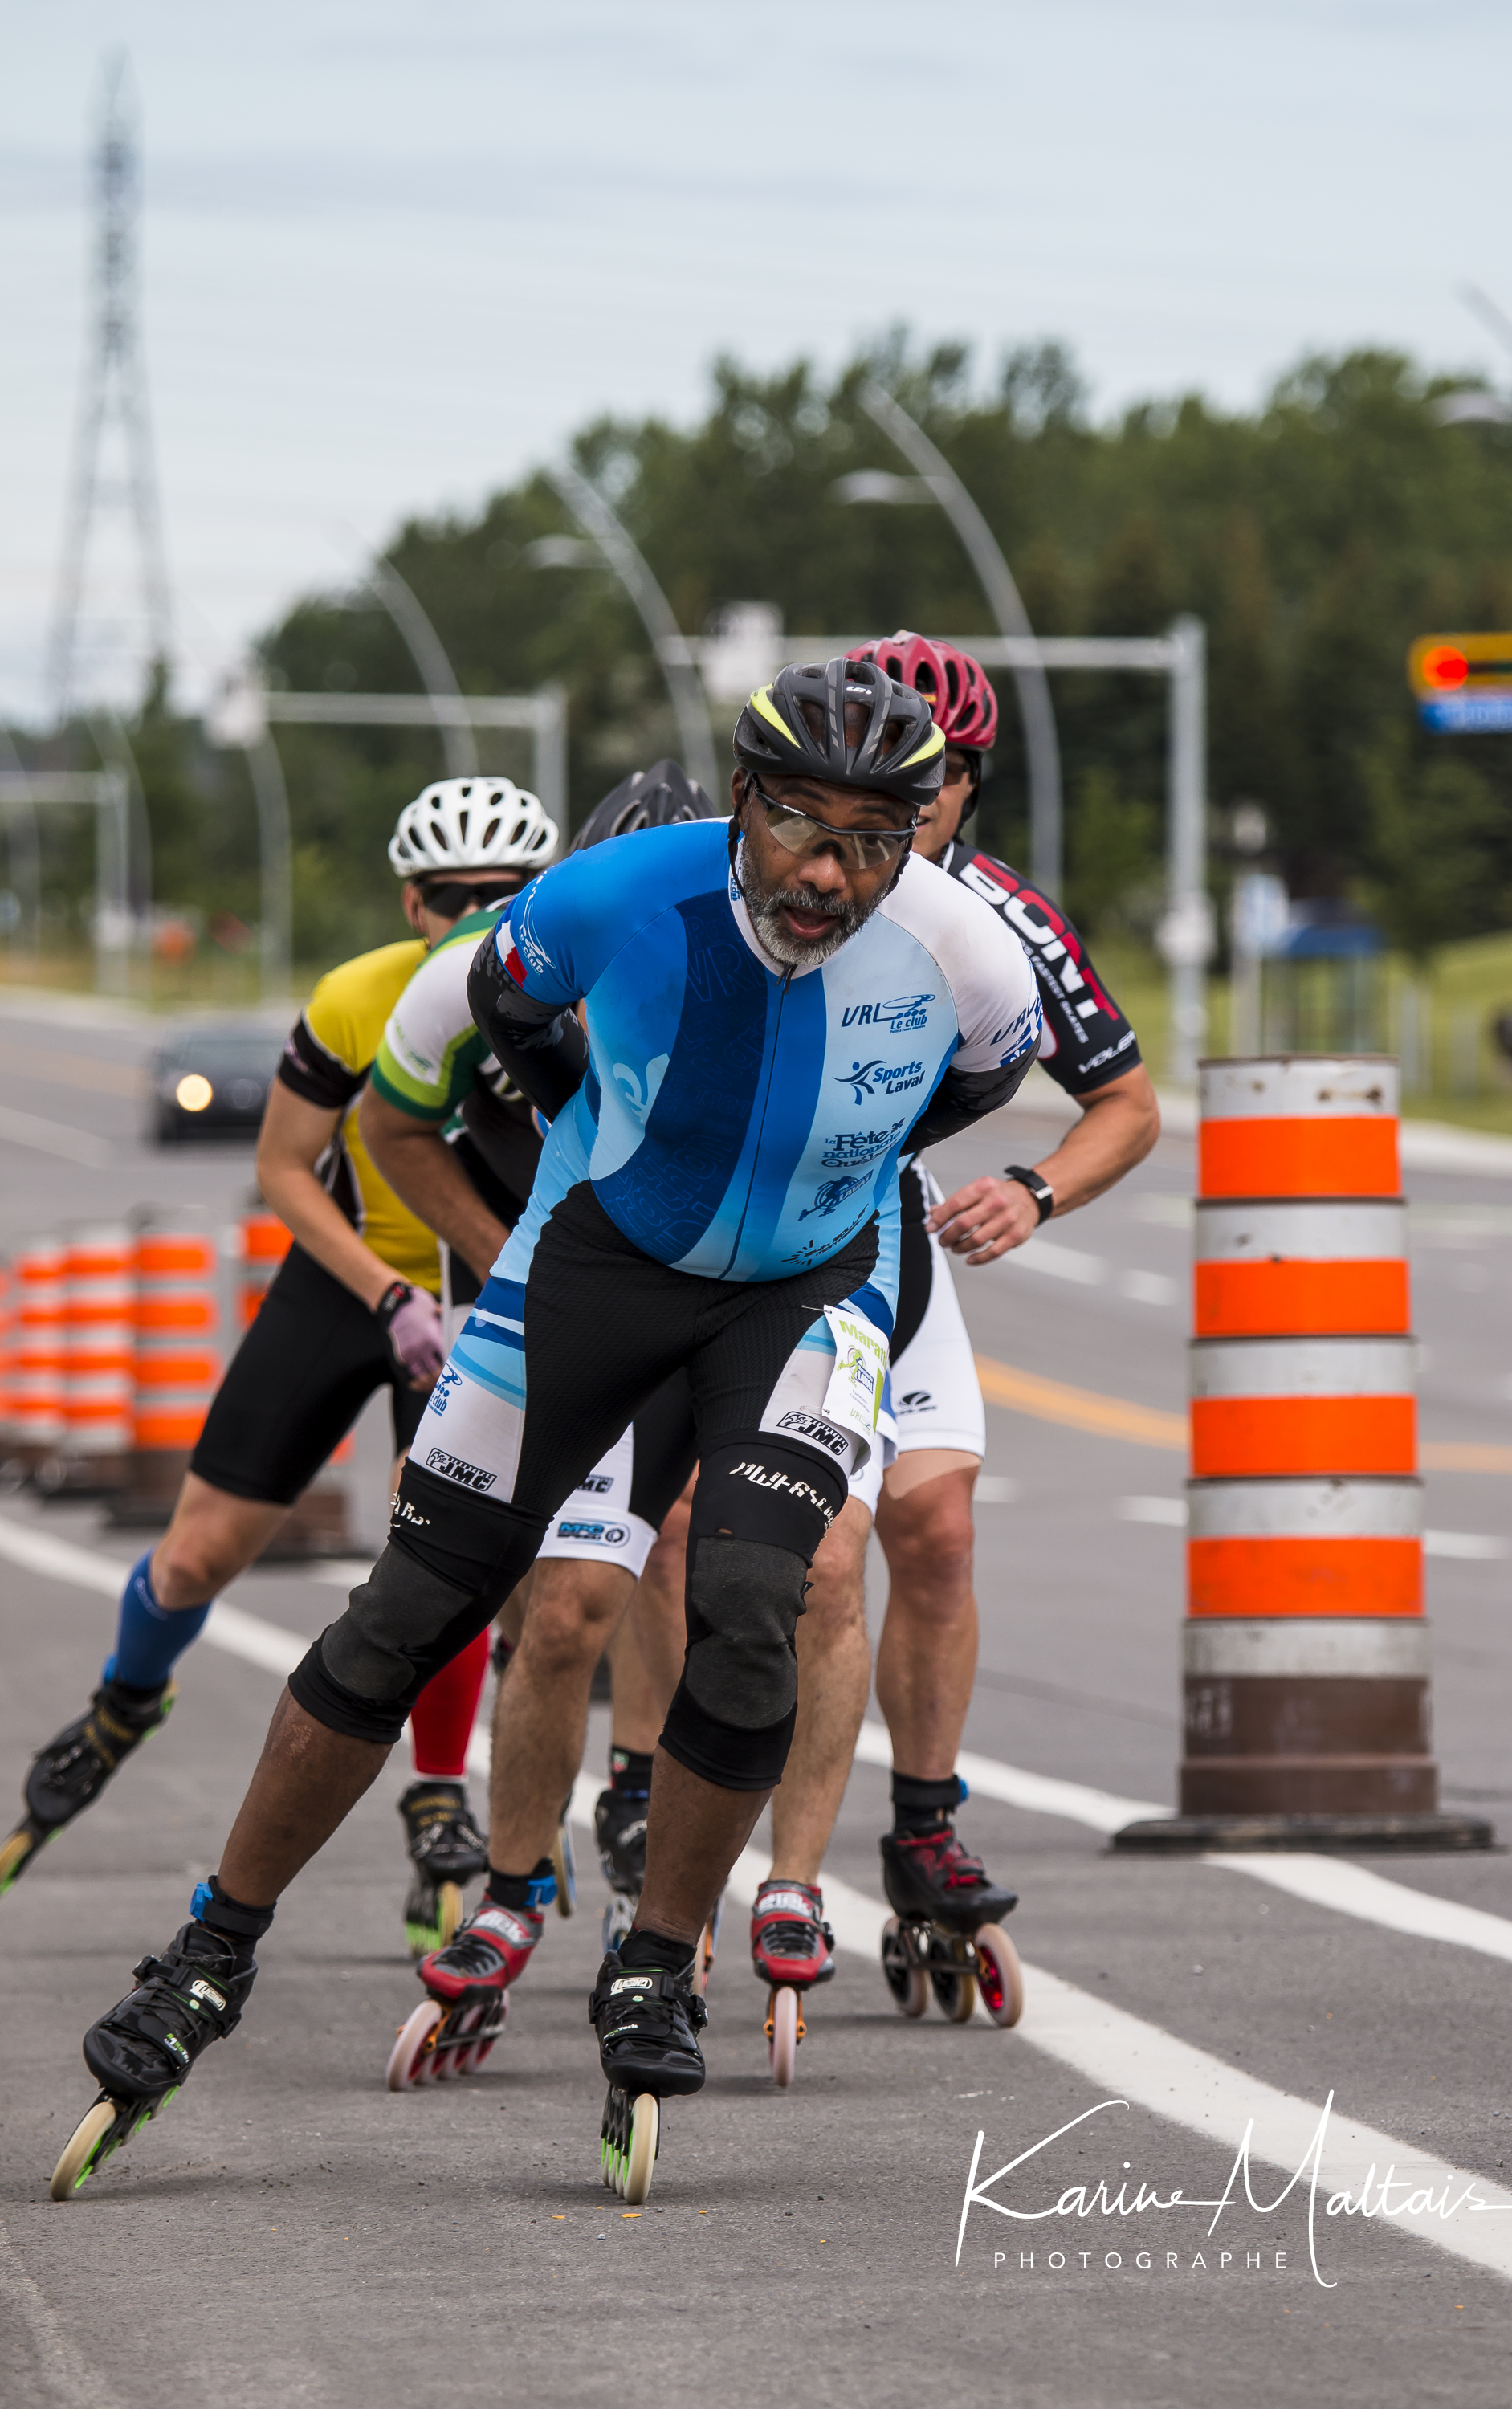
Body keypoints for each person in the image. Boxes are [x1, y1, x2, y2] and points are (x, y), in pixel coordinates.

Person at [57, 657, 1041, 2183]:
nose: (831, 872)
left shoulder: (970, 954)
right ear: (739, 804)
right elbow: (412, 1089)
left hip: (804, 1292)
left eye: (874, 836)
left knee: (750, 1605)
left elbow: (973, 1089)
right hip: (590, 1267)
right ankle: (212, 1950)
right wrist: (522, 1188)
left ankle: (651, 1958)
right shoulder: (601, 902)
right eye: (798, 826)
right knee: (410, 1616)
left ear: (919, 836)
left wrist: (814, 1186)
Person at [2, 777, 557, 1969]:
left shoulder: (572, 995)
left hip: (474, 1294)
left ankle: (438, 1793)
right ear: (413, 902)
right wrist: (384, 1293)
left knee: (442, 1542)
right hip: (356, 1280)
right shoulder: (360, 996)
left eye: (504, 895)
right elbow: (286, 1166)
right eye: (452, 897)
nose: (476, 914)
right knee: (198, 1553)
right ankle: (121, 1702)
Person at [744, 633, 1160, 1996]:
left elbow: (1129, 1106)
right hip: (756, 1237)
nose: (899, 816)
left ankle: (924, 1831)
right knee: (814, 1549)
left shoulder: (996, 914)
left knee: (934, 1526)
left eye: (933, 787)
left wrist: (1035, 1191)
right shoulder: (775, 875)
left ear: (966, 787)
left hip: (887, 1235)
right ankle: (699, 1823)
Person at [359, 764, 715, 1982]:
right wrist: (481, 1254)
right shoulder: (505, 971)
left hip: (676, 1287)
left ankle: (630, 1790)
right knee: (538, 1606)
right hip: (525, 1276)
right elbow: (377, 1129)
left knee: (664, 1542)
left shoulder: (769, 981)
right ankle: (496, 1845)